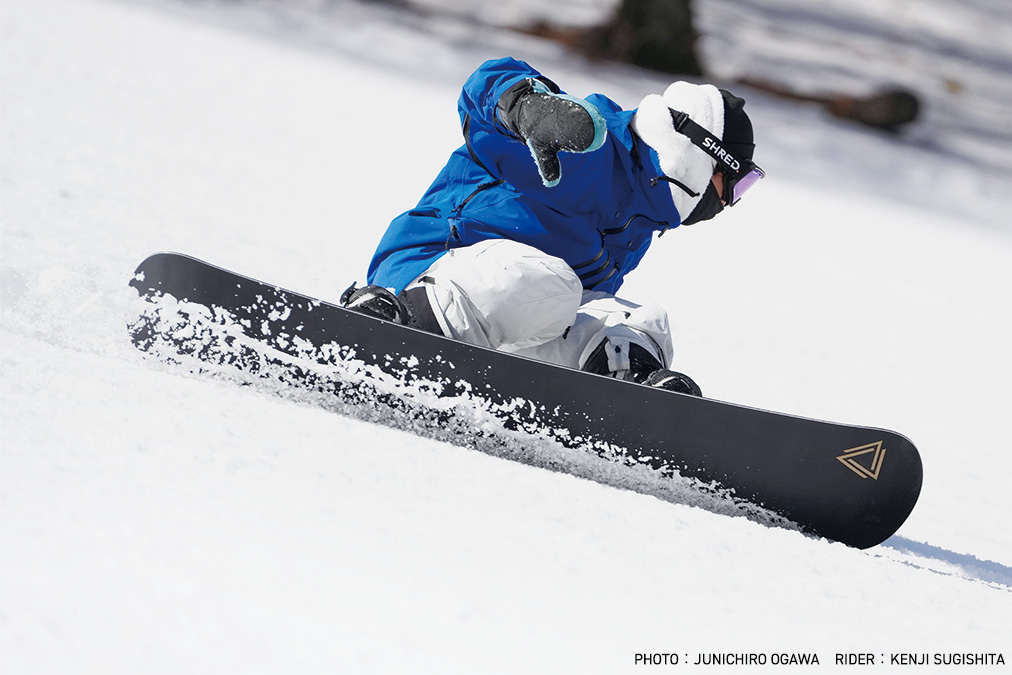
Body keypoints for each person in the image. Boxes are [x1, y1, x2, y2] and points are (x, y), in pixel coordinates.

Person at [342, 57, 764, 396]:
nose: (730, 201)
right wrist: (526, 106)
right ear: (702, 156)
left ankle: (629, 402)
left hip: (507, 319)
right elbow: (481, 88)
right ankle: (397, 330)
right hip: (425, 274)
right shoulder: (590, 141)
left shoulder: (640, 221)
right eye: (738, 182)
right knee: (545, 283)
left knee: (635, 322)